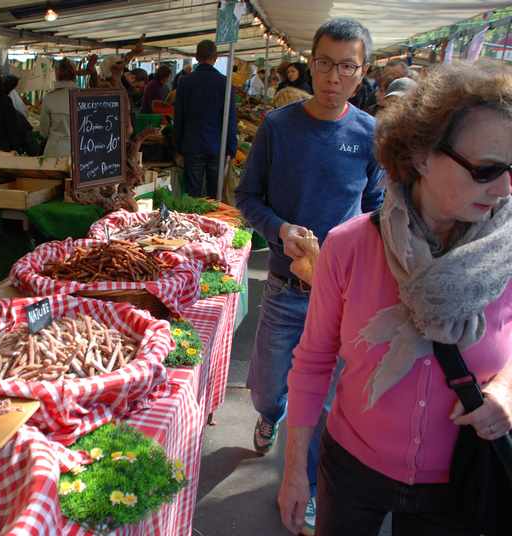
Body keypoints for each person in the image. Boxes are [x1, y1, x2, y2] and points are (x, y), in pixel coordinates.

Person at [279, 60, 512, 536]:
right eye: (487, 169)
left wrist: (507, 390)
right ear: (422, 155)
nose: (505, 187)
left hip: (460, 481)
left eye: (511, 169)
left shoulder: (505, 252)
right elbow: (313, 360)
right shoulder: (349, 246)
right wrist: (295, 469)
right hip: (352, 468)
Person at [235, 18, 384, 535]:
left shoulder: (370, 135)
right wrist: (280, 230)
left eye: (347, 66)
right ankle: (270, 413)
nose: (333, 76)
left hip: (340, 294)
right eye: (324, 63)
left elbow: (377, 208)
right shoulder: (278, 127)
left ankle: (311, 487)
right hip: (285, 285)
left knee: (325, 398)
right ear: (309, 62)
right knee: (267, 384)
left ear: (362, 72)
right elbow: (246, 197)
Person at [174, 40, 237, 198]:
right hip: (217, 145)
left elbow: (179, 116)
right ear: (216, 57)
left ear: (196, 56)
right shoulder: (225, 83)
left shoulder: (185, 81)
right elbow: (230, 118)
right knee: (215, 194)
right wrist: (231, 147)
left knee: (192, 194)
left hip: (192, 144)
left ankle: (192, 214)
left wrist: (177, 147)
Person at [39, 58, 76, 158]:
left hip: (54, 151)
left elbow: (43, 131)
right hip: (78, 151)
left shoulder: (49, 98)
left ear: (57, 75)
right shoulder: (83, 97)